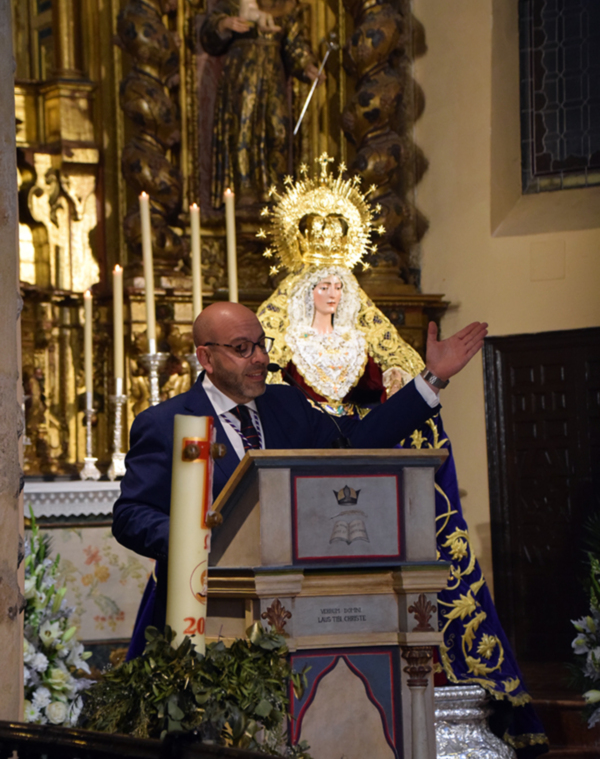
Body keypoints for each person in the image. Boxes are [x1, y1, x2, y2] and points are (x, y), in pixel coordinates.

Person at [257, 267, 549, 757]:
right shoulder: (273, 392)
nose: (330, 294)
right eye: (321, 286)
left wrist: (430, 380)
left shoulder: (358, 347)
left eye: (338, 286)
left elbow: (353, 441)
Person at [113, 301, 487, 645]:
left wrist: (431, 380)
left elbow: (352, 444)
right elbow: (131, 516)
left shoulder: (287, 403)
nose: (259, 358)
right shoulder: (166, 423)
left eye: (262, 344)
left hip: (300, 605)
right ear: (206, 358)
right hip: (210, 612)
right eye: (242, 348)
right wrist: (201, 542)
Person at [199, 0, 322, 208]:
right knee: (242, 126)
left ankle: (275, 193)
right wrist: (224, 24)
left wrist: (306, 63)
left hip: (272, 69)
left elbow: (293, 40)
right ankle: (242, 191)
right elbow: (208, 33)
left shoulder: (284, 0)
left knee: (277, 128)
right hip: (242, 68)